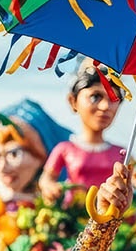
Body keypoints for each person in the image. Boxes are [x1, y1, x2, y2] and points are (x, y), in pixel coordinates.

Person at [38, 60, 124, 205]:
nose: (105, 106)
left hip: (108, 221)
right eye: (95, 97)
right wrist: (49, 187)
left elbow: (134, 182)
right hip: (73, 219)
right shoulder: (65, 149)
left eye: (113, 99)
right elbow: (46, 179)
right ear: (73, 101)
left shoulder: (121, 154)